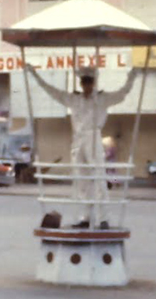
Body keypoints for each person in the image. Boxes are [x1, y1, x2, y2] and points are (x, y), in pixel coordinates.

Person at [24, 64, 138, 227]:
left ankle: (103, 218)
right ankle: (85, 217)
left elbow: (122, 93)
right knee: (81, 179)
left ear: (94, 82)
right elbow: (52, 91)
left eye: (89, 81)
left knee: (98, 178)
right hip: (78, 139)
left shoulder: (102, 99)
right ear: (80, 83)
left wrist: (131, 77)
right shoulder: (74, 99)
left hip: (93, 137)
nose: (86, 85)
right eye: (84, 81)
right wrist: (35, 76)